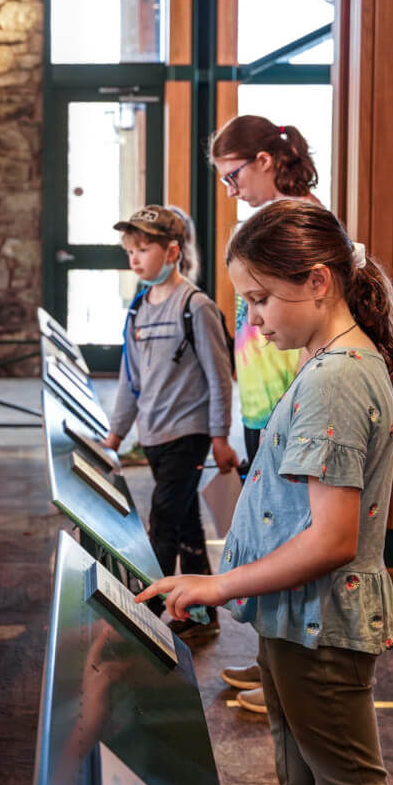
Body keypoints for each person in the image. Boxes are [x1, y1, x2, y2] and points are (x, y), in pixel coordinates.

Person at [137, 199, 393, 785]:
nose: (254, 319)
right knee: (299, 769)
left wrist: (218, 584)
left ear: (317, 282)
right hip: (298, 617)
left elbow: (333, 538)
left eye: (260, 299)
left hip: (320, 624)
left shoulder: (337, 375)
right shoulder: (324, 361)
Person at [206, 114, 317, 707]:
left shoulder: (301, 222)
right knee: (267, 533)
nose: (231, 189)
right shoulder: (268, 219)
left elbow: (313, 319)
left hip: (286, 401)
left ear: (265, 161)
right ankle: (269, 661)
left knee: (289, 536)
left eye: (233, 176)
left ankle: (285, 680)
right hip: (260, 404)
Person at [104, 205, 239, 637]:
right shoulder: (137, 310)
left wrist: (219, 437)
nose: (136, 259)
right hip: (155, 435)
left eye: (144, 249)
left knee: (162, 521)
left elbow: (220, 378)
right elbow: (131, 379)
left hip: (190, 435)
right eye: (131, 251)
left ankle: (144, 616)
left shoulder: (195, 307)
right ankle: (201, 616)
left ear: (173, 252)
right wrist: (116, 434)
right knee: (183, 524)